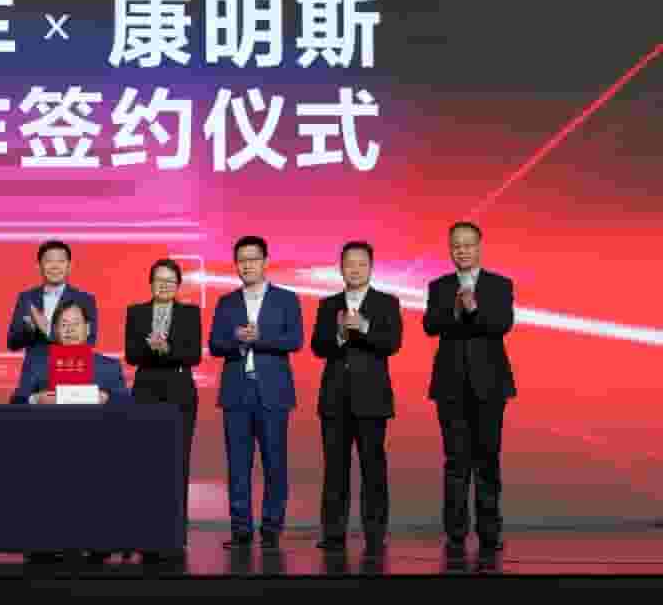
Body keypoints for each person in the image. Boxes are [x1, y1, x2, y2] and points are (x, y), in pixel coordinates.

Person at [12, 298, 131, 563]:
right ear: (55, 330)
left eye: (75, 323)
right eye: (63, 324)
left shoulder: (107, 366)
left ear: (88, 329)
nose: (69, 329)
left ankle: (96, 539)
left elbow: (126, 403)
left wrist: (107, 398)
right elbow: (17, 401)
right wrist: (36, 399)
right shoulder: (38, 363)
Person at [423, 221, 516, 555]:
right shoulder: (439, 286)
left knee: (488, 459)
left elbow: (502, 323)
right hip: (450, 385)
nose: (462, 250)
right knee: (455, 461)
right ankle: (456, 533)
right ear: (450, 249)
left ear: (479, 246)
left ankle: (490, 532)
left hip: (490, 385)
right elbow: (430, 324)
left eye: (468, 244)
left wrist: (474, 310)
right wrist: (456, 310)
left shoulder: (500, 284)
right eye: (456, 245)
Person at [208, 236, 304, 549]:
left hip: (273, 392)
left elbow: (295, 340)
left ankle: (272, 529)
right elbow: (215, 344)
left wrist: (259, 339)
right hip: (236, 392)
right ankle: (241, 530)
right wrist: (237, 340)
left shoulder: (286, 299)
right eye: (242, 260)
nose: (247, 265)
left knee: (275, 463)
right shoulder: (226, 302)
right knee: (238, 465)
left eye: (253, 259)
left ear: (265, 262)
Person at [310, 241, 403, 554]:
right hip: (334, 398)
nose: (355, 269)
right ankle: (333, 533)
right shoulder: (328, 305)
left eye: (362, 264)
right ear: (340, 268)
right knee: (335, 470)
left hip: (372, 399)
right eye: (349, 264)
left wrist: (363, 327)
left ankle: (375, 535)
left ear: (371, 267)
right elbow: (318, 346)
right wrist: (339, 334)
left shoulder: (387, 303)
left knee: (373, 469)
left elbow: (392, 343)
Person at [124, 258, 201, 561]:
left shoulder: (190, 313)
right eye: (159, 280)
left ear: (178, 285)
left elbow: (193, 355)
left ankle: (174, 532)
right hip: (145, 391)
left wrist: (167, 350)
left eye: (170, 281)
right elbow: (131, 355)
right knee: (145, 464)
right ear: (151, 283)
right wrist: (150, 349)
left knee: (178, 462)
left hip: (180, 393)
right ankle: (145, 529)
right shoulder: (136, 312)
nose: (164, 285)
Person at [6, 240, 97, 369]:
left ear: (69, 266)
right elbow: (12, 344)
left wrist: (48, 330)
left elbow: (90, 341)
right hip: (35, 372)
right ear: (39, 266)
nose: (55, 266)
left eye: (61, 261)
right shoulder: (27, 298)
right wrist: (29, 329)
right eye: (49, 261)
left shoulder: (85, 299)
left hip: (69, 368)